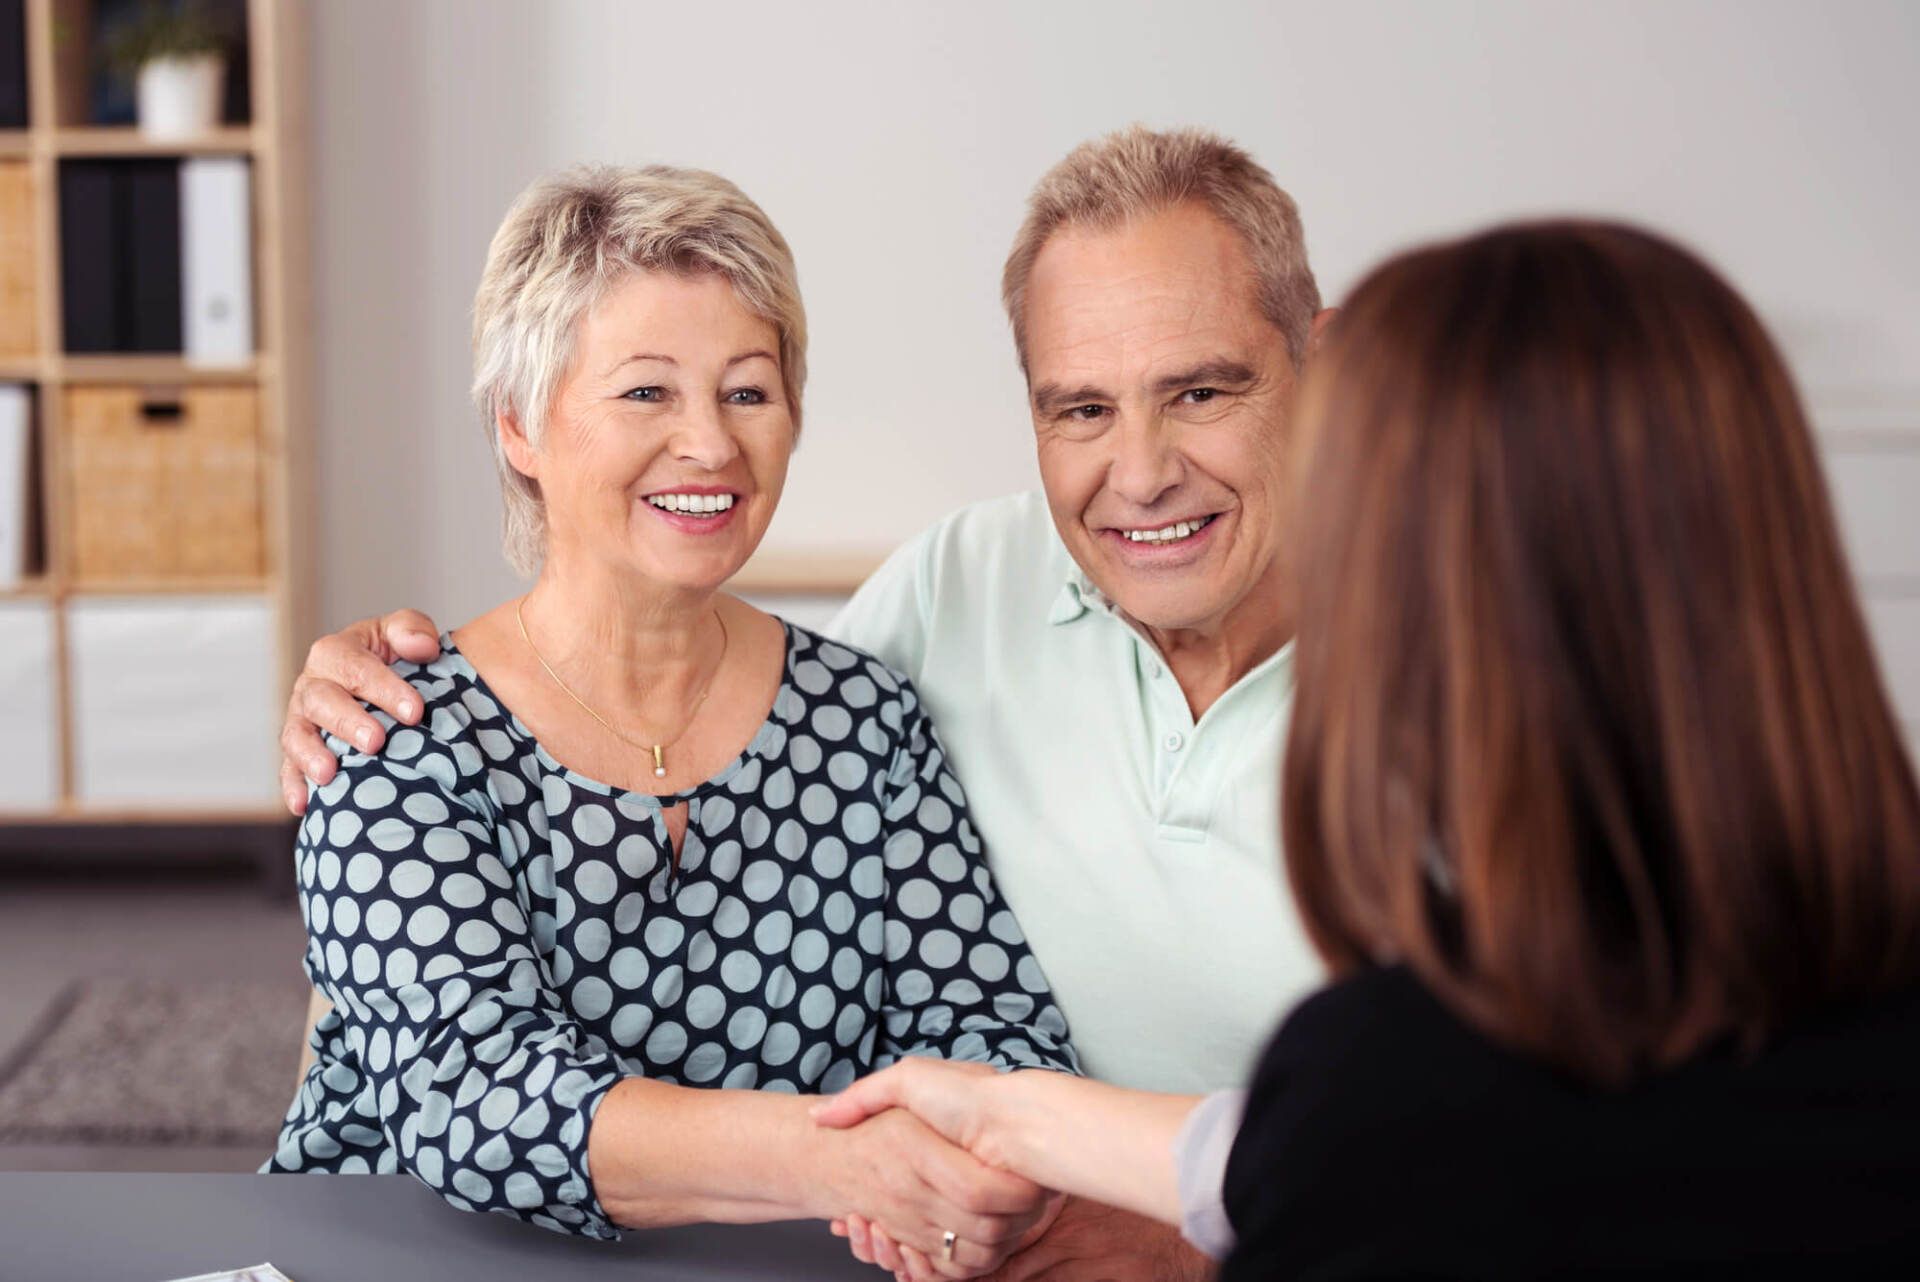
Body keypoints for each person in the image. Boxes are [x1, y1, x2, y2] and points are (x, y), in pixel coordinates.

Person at [278, 124, 1330, 1281]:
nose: (708, 443)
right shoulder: (394, 727)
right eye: (645, 391)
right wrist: (840, 1161)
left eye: (748, 390)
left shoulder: (864, 715)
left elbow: (988, 1030)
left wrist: (969, 1167)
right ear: (518, 425)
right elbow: (473, 1095)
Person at [808, 220, 1920, 1279]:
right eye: (1085, 408)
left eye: (1205, 393)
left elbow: (1368, 1147)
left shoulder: (1395, 1075)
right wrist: (1012, 1115)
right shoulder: (1827, 1008)